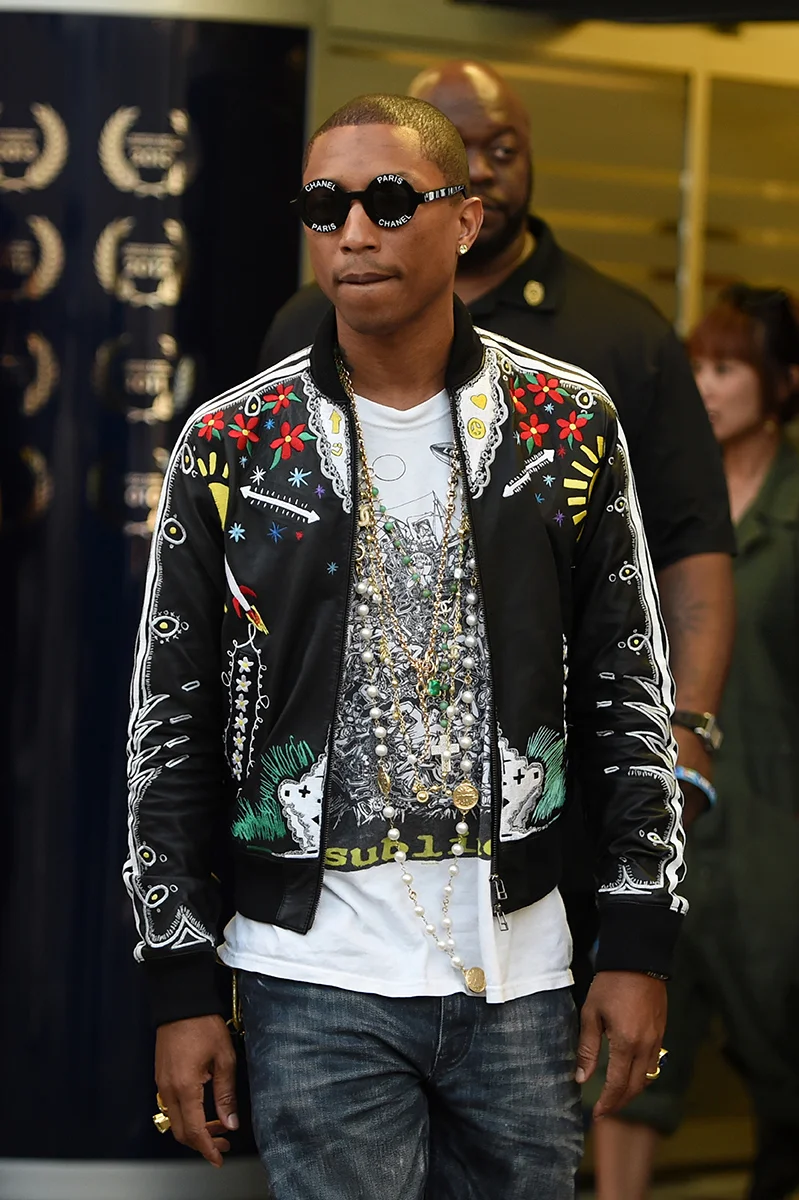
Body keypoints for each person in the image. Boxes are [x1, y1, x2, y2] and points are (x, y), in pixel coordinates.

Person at [125, 94, 686, 1199]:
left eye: (388, 201)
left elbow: (626, 691)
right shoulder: (233, 443)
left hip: (520, 968)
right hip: (307, 972)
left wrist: (637, 939)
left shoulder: (565, 423)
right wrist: (179, 979)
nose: (353, 233)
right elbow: (168, 725)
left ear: (464, 219)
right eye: (323, 206)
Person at [257, 61, 735, 1001]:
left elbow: (688, 551)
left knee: (577, 1026)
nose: (482, 164)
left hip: (560, 785)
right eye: (453, 147)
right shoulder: (306, 326)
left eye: (502, 148)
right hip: (346, 833)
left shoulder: (618, 335)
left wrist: (684, 731)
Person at [592, 286, 799, 1200]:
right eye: (697, 367)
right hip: (663, 820)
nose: (706, 386)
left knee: (782, 1060)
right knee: (627, 1062)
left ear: (781, 382)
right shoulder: (654, 501)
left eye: (728, 367)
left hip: (774, 831)